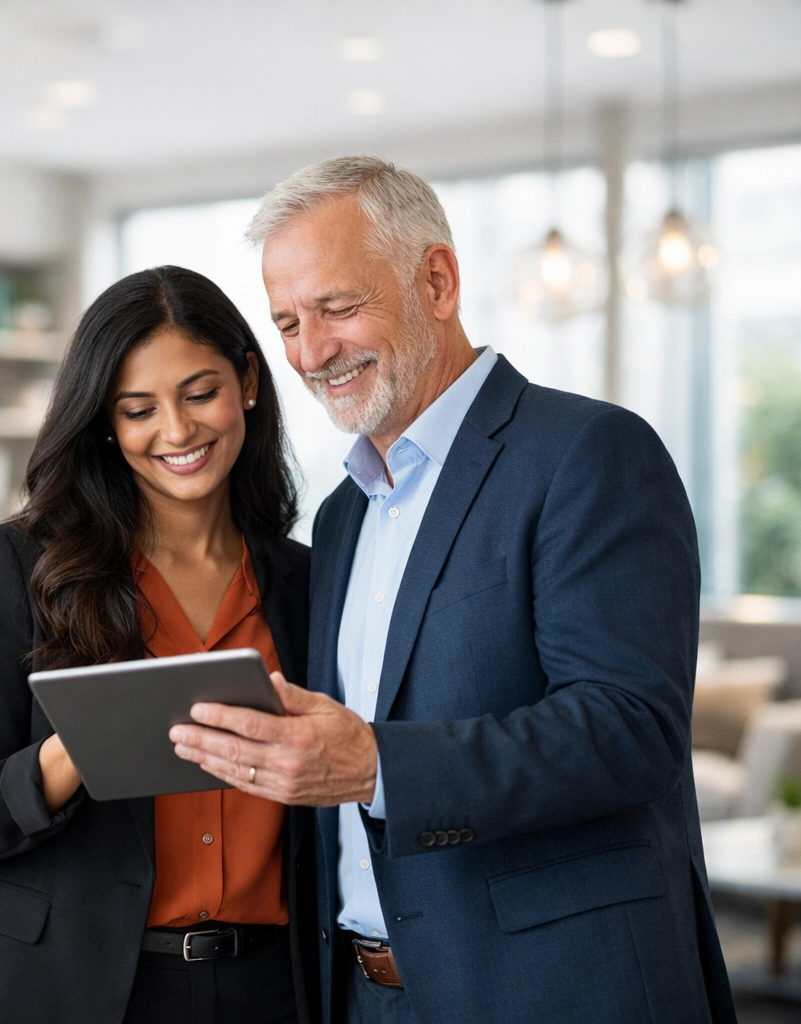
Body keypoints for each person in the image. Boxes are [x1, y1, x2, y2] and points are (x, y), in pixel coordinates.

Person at [168, 157, 738, 1024]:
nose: (311, 353)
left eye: (338, 307)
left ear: (437, 280)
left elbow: (631, 730)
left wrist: (375, 765)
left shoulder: (588, 452)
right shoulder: (341, 518)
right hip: (363, 995)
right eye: (287, 323)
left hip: (556, 992)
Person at [0, 265, 319, 1024]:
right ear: (106, 422)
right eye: (138, 410)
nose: (177, 431)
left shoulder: (306, 582)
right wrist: (78, 748)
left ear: (247, 383)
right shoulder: (18, 566)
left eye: (199, 394)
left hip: (270, 988)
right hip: (70, 988)